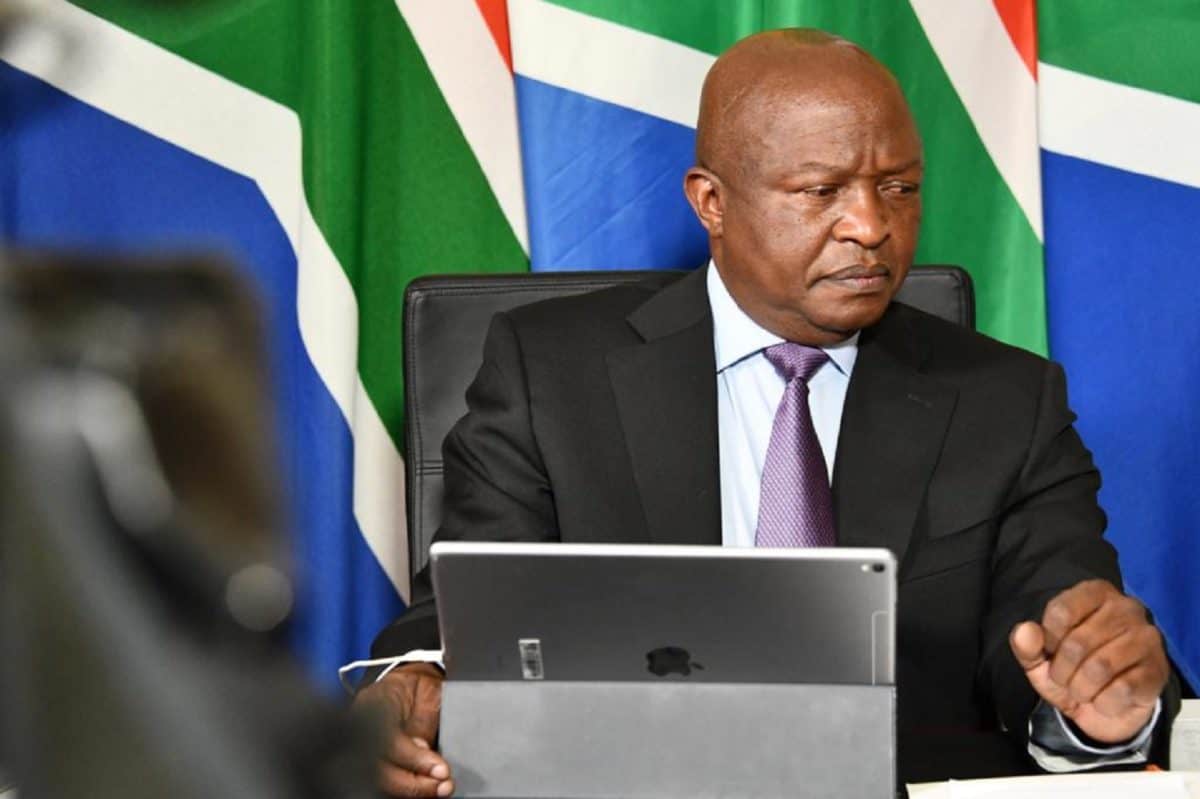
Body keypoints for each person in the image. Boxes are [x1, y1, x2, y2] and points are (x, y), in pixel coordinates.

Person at [356, 29, 1177, 797]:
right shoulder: (550, 372)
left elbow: (1060, 640)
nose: (872, 226)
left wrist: (1095, 706)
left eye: (899, 187)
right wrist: (415, 682)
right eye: (822, 191)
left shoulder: (1008, 401)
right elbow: (462, 613)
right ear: (711, 201)